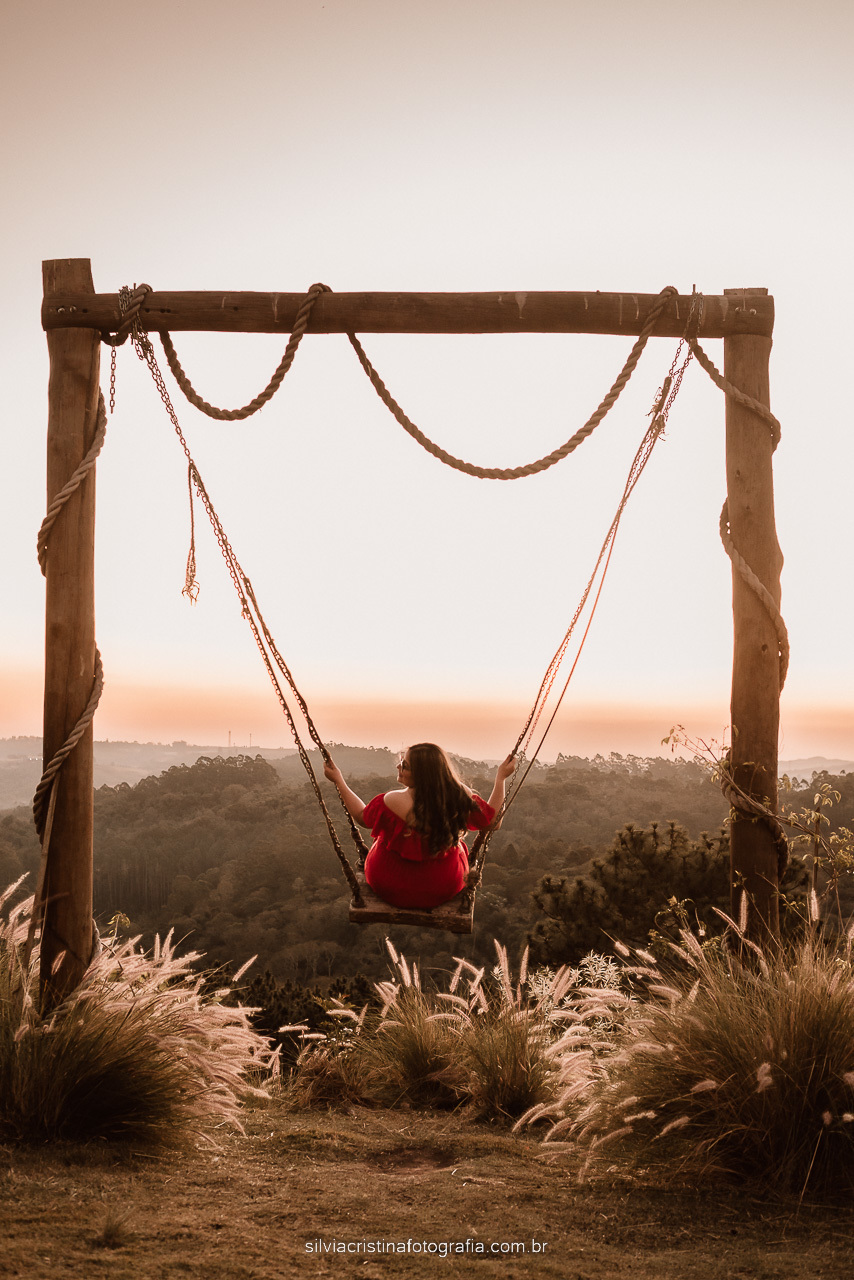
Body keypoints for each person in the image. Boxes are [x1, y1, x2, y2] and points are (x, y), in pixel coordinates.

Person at [323, 744, 517, 910]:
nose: (398, 766)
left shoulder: (391, 801)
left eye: (405, 766)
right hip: (442, 887)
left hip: (389, 885)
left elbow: (361, 817)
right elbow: (493, 823)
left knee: (381, 840)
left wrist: (338, 780)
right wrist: (500, 779)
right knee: (458, 848)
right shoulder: (458, 797)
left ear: (422, 775)